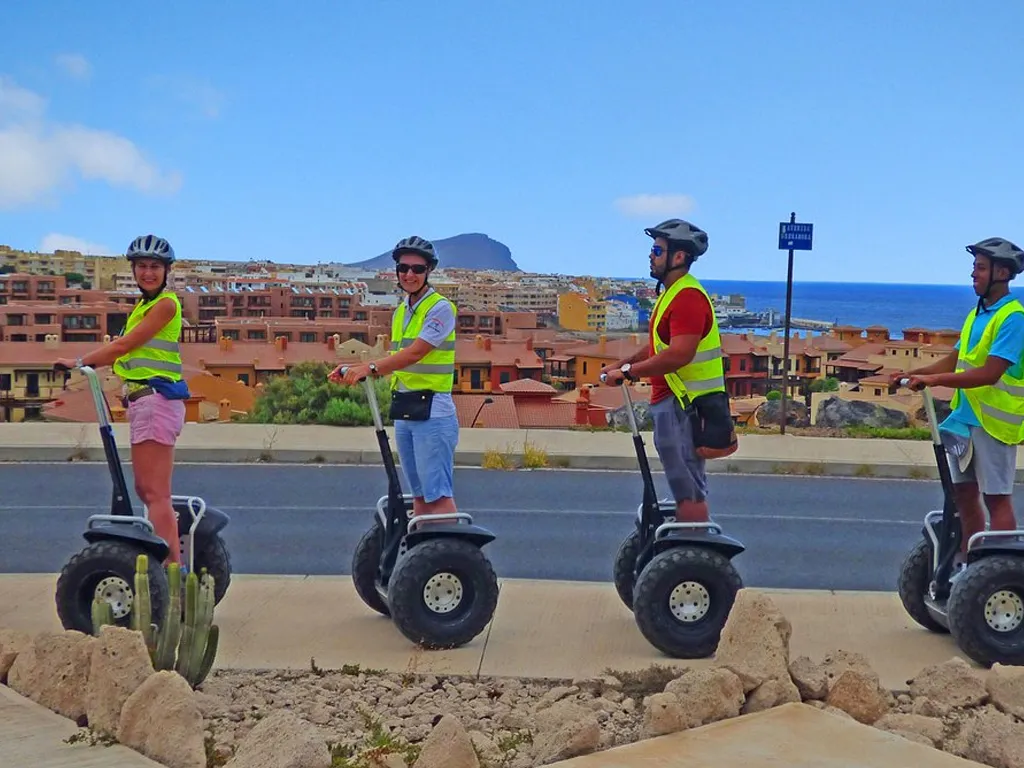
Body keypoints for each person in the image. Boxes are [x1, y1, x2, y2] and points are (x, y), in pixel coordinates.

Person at [55, 234, 190, 566]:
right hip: (147, 402)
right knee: (147, 491)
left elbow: (123, 346)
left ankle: (172, 574)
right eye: (142, 266)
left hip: (156, 400)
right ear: (133, 269)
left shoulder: (165, 305)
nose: (148, 272)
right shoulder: (144, 305)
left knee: (155, 494)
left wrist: (80, 362)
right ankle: (170, 568)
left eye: (154, 267)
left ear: (166, 270)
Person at [891, 237, 1024, 567]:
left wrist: (934, 382)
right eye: (974, 268)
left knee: (996, 499)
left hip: (994, 423)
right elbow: (955, 361)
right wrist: (912, 374)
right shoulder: (977, 314)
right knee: (962, 496)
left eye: (980, 268)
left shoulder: (1013, 318)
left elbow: (990, 373)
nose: (973, 275)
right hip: (965, 419)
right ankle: (968, 565)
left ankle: (999, 569)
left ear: (1003, 272)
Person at [601, 218, 729, 524]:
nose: (651, 255)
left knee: (687, 487)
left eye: (657, 250)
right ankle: (686, 541)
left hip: (683, 405)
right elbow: (660, 346)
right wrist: (622, 365)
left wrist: (630, 373)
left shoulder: (687, 297)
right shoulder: (672, 294)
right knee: (680, 480)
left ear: (679, 257)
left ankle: (693, 551)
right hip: (671, 403)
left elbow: (679, 354)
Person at [330, 236, 460, 519]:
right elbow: (395, 358)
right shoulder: (402, 311)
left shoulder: (440, 308)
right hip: (405, 407)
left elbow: (415, 353)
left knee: (438, 497)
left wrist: (370, 369)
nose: (410, 275)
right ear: (396, 272)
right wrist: (354, 367)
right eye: (404, 268)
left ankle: (453, 555)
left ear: (429, 271)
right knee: (420, 497)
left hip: (433, 410)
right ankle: (422, 556)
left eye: (417, 269)